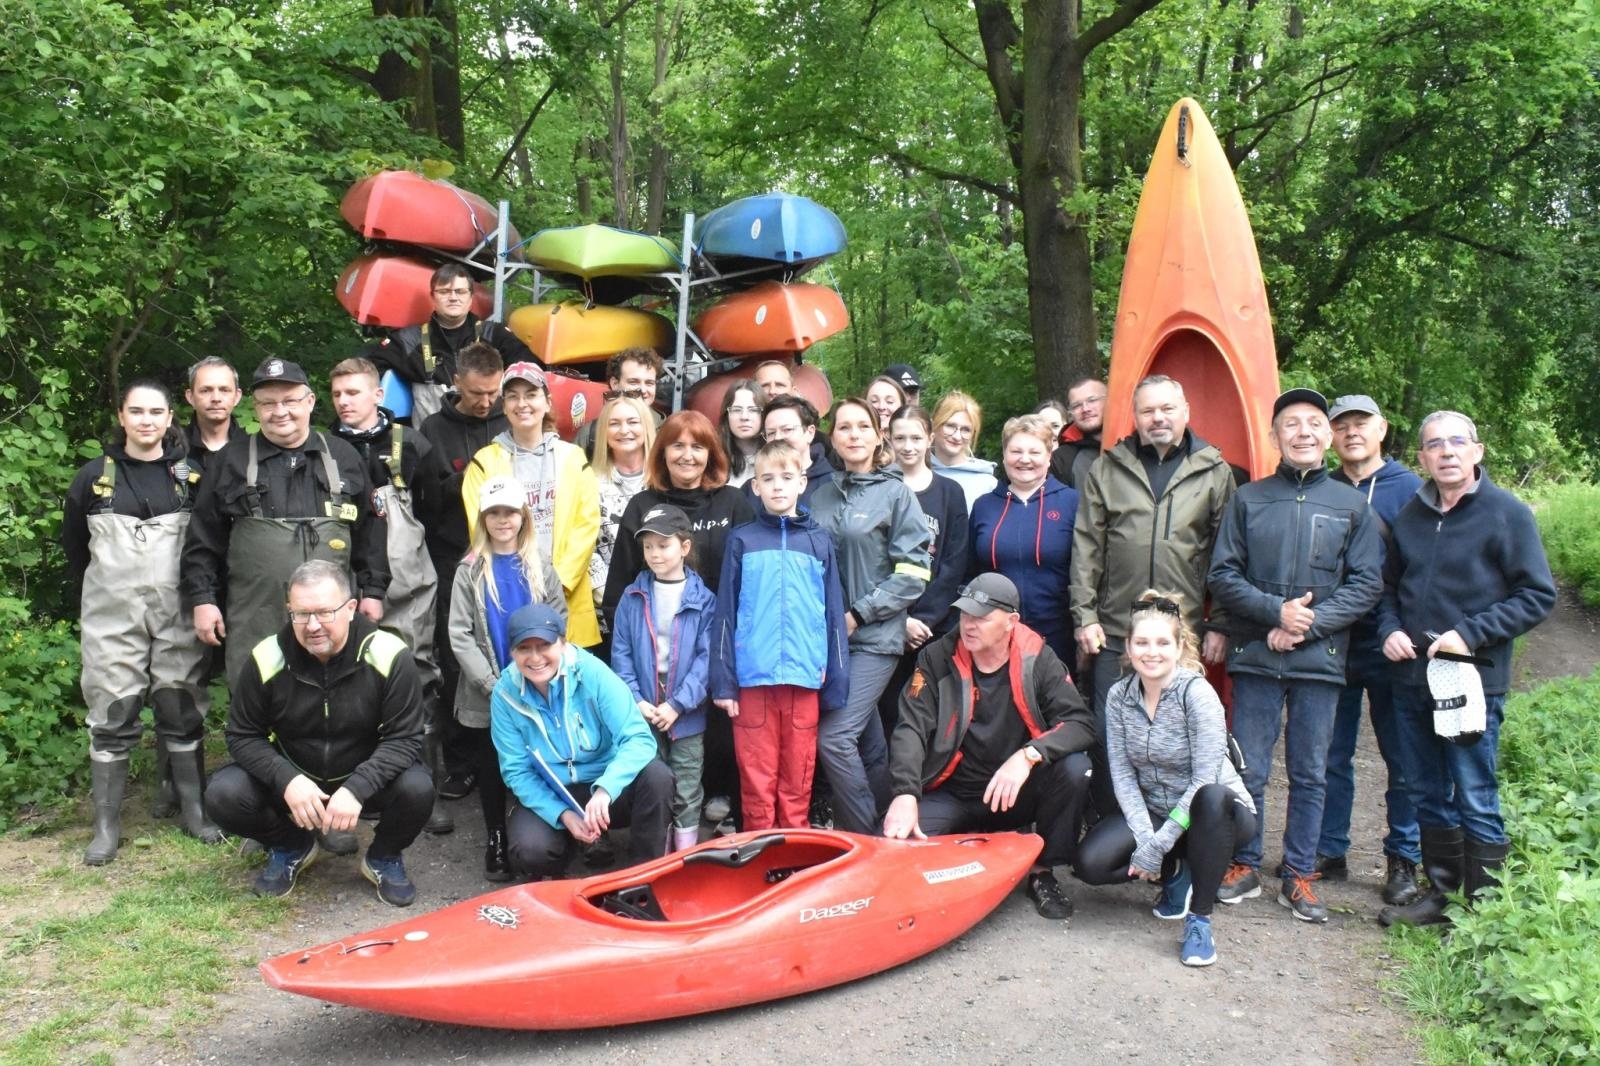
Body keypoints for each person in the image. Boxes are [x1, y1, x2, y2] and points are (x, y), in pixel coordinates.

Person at [1207, 388, 1383, 922]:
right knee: (1249, 768)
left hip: (1321, 660)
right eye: (1291, 424)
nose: (1303, 432)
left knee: (1312, 771)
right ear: (1274, 436)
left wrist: (1305, 626)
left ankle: (1300, 872)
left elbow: (1366, 583)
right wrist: (1273, 614)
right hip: (1257, 655)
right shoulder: (1249, 499)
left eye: (1312, 423)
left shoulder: (1354, 505)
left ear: (1327, 436)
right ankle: (1244, 862)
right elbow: (1222, 574)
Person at [1376, 411, 1555, 927]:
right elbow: (1388, 588)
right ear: (1423, 458)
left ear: (1477, 451)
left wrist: (1470, 632)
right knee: (1425, 789)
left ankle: (1483, 912)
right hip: (1413, 680)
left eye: (1457, 442)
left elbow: (1537, 595)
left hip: (1471, 680)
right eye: (1435, 445)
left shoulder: (1507, 514)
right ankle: (1444, 897)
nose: (1447, 452)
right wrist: (1389, 630)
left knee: (1474, 791)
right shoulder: (1411, 515)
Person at [205, 561, 431, 906]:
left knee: (419, 787)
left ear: (352, 608)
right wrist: (286, 780)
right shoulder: (267, 656)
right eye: (301, 614)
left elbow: (405, 738)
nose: (312, 625)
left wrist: (358, 787)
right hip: (296, 778)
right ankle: (291, 845)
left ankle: (383, 857)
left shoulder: (390, 655)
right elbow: (242, 735)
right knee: (223, 793)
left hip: (362, 778)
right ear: (289, 611)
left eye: (325, 612)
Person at [63, 379, 224, 864]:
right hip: (111, 618)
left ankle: (193, 811)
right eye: (137, 411)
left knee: (180, 705)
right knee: (113, 712)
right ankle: (106, 827)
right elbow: (75, 550)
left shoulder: (191, 477)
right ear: (121, 416)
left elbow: (208, 545)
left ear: (171, 417)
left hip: (176, 611)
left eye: (156, 412)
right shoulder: (92, 479)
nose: (147, 420)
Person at [883, 573, 1096, 920]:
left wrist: (1029, 756)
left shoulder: (1038, 658)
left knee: (1075, 768)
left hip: (1014, 794)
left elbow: (1080, 723)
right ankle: (966, 850)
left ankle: (1042, 871)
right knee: (896, 846)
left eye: (981, 617)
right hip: (953, 792)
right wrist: (905, 793)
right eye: (965, 614)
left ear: (1011, 621)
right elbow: (911, 727)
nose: (969, 624)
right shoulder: (938, 656)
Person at [1073, 593, 1257, 966]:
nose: (1151, 652)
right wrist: (1146, 839)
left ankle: (1199, 920)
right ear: (1128, 646)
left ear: (1179, 647)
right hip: (1157, 810)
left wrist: (1159, 844)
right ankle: (1176, 872)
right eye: (1141, 642)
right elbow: (1122, 774)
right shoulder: (1119, 696)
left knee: (1210, 795)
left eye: (1162, 643)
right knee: (1090, 863)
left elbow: (1205, 777)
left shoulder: (1198, 694)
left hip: (1220, 815)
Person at [181, 358, 388, 688]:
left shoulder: (343, 456)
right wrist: (203, 600)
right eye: (268, 403)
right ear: (255, 407)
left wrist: (373, 591)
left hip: (331, 617)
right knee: (256, 696)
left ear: (309, 402)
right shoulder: (229, 461)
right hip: (255, 616)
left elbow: (371, 533)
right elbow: (203, 540)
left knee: (336, 696)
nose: (280, 412)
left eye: (290, 401)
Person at [601, 412, 756, 828]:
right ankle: (656, 824)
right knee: (661, 752)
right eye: (677, 446)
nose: (688, 456)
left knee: (720, 736)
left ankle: (719, 803)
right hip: (658, 655)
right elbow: (621, 586)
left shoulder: (733, 502)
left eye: (698, 446)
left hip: (720, 642)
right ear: (663, 453)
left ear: (712, 453)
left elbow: (750, 573)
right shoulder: (643, 505)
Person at [328, 356, 450, 836]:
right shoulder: (323, 446)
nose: (345, 402)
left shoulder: (411, 444)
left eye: (354, 393)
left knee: (416, 680)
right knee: (345, 687)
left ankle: (424, 790)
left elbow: (436, 511)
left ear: (378, 395)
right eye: (337, 394)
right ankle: (353, 792)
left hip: (407, 586)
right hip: (341, 587)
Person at [1313, 394, 1425, 904]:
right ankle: (1328, 849)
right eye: (1342, 426)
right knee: (1329, 753)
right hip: (1331, 639)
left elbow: (1421, 571)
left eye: (1361, 424)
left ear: (1381, 429)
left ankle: (1403, 857)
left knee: (1401, 755)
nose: (1351, 433)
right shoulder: (1321, 486)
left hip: (1391, 642)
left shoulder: (1412, 493)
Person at [1070, 375, 1234, 716]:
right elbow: (1087, 547)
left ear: (1186, 412)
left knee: (1174, 732)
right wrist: (1085, 616)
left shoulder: (1215, 471)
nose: (1158, 417)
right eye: (1148, 410)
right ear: (1135, 416)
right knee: (1109, 730)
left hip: (1181, 632)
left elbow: (1226, 555)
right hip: (1116, 629)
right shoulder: (1107, 469)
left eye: (1167, 408)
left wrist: (1219, 623)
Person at [711, 441, 850, 830]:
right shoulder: (742, 540)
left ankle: (793, 856)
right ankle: (760, 858)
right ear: (754, 486)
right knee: (757, 777)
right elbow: (725, 614)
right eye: (767, 479)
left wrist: (836, 681)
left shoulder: (819, 541)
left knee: (797, 778)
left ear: (801, 482)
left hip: (805, 680)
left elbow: (834, 616)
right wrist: (724, 682)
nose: (777, 486)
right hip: (753, 680)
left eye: (786, 478)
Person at [810, 398, 932, 834]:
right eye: (845, 427)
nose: (855, 434)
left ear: (879, 435)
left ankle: (862, 836)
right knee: (865, 740)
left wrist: (858, 615)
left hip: (874, 639)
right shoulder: (818, 495)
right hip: (825, 642)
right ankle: (886, 819)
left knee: (835, 739)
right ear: (833, 437)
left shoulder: (896, 494)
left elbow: (915, 573)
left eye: (864, 426)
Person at [490, 603, 674, 880]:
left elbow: (638, 738)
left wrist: (606, 789)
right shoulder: (504, 694)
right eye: (524, 648)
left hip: (606, 787)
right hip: (554, 790)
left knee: (658, 776)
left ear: (563, 644)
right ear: (512, 652)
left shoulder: (593, 674)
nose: (535, 657)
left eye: (544, 646)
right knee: (530, 850)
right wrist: (562, 814)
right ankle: (563, 870)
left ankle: (645, 874)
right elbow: (516, 770)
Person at [448, 476, 565, 881]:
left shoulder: (539, 564)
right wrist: (490, 683)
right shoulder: (469, 570)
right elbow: (459, 633)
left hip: (537, 681)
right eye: (494, 513)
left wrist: (542, 670)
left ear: (523, 516)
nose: (503, 520)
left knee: (544, 757)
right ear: (483, 519)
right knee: (493, 765)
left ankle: (552, 828)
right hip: (490, 688)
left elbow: (557, 618)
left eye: (510, 512)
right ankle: (496, 835)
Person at [413, 340, 507, 800]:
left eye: (493, 393)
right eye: (476, 393)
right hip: (452, 555)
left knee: (505, 651)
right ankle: (462, 759)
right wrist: (468, 478)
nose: (486, 402)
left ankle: (510, 753)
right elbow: (424, 500)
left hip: (505, 555)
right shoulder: (433, 428)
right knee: (456, 657)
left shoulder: (511, 422)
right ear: (456, 383)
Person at [463, 361, 601, 647]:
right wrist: (524, 587)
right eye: (513, 396)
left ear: (547, 401)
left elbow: (587, 524)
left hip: (565, 595)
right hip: (509, 594)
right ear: (503, 406)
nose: (522, 403)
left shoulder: (573, 458)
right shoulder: (484, 462)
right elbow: (480, 531)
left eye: (531, 394)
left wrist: (555, 584)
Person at [612, 504, 715, 851]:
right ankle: (655, 855)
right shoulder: (632, 596)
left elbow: (706, 662)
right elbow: (621, 654)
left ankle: (684, 857)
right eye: (648, 546)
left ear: (684, 547)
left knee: (687, 784)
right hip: (643, 711)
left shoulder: (705, 601)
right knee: (652, 782)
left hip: (686, 715)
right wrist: (637, 701)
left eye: (664, 545)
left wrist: (678, 704)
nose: (655, 553)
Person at [882, 406, 969, 733]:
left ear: (930, 438)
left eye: (916, 437)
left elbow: (955, 560)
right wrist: (899, 619)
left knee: (930, 710)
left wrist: (925, 619)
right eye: (900, 437)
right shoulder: (880, 488)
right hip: (886, 623)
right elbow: (874, 562)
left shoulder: (950, 493)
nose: (908, 446)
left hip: (935, 627)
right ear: (887, 438)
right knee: (888, 711)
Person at [969, 414, 1079, 665]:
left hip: (1057, 633)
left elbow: (1086, 570)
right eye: (1016, 451)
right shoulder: (985, 506)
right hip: (996, 632)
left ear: (1049, 457)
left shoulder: (1072, 502)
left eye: (1034, 452)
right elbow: (970, 570)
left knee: (1051, 703)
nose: (1025, 459)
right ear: (1005, 455)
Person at [370, 262, 536, 426]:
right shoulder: (409, 340)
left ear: (471, 298)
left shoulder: (495, 335)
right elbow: (364, 373)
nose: (453, 297)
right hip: (433, 444)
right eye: (444, 292)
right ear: (433, 297)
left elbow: (530, 369)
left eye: (460, 292)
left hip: (492, 442)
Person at [588, 395, 656, 644]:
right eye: (614, 423)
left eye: (633, 422)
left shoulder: (664, 482)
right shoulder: (588, 482)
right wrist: (612, 597)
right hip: (606, 612)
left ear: (646, 428)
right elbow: (584, 545)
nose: (624, 430)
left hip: (660, 609)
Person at [748, 394, 835, 509]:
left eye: (787, 430)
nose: (778, 438)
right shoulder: (751, 490)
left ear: (810, 432)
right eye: (771, 433)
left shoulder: (834, 485)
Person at [574, 347, 666, 453]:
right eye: (634, 382)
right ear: (615, 384)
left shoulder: (668, 432)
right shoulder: (590, 435)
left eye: (649, 383)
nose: (643, 390)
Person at [928, 390, 996, 511]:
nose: (957, 436)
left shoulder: (988, 485)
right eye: (950, 426)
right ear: (934, 425)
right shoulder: (914, 471)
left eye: (966, 430)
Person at [182, 356, 245, 479]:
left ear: (237, 397)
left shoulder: (253, 450)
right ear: (190, 397)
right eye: (206, 390)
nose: (216, 398)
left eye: (224, 390)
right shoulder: (172, 449)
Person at [1049, 377, 1107, 489]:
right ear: (1070, 413)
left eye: (1092, 400)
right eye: (1076, 405)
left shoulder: (1134, 442)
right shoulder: (1061, 460)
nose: (1085, 409)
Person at [717, 379, 765, 488]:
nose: (744, 417)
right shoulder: (714, 458)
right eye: (737, 410)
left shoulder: (776, 455)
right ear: (726, 415)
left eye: (753, 410)